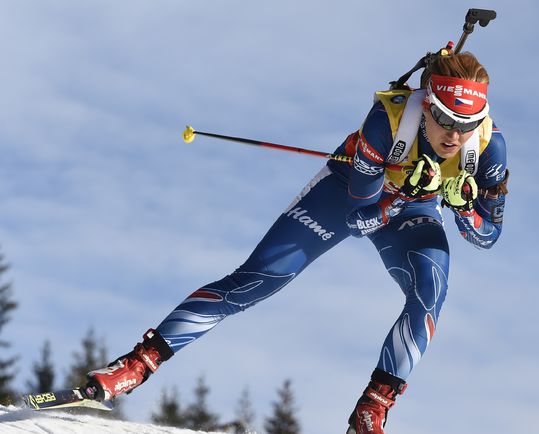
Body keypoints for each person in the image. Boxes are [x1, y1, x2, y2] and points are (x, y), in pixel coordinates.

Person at [85, 50, 508, 434]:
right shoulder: (387, 123)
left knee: (430, 290)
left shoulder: (489, 148)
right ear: (426, 106)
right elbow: (359, 216)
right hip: (350, 192)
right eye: (446, 120)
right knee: (256, 280)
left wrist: (463, 207)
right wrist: (400, 195)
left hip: (412, 210)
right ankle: (137, 364)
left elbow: (488, 236)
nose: (454, 135)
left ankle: (372, 408)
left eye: (466, 124)